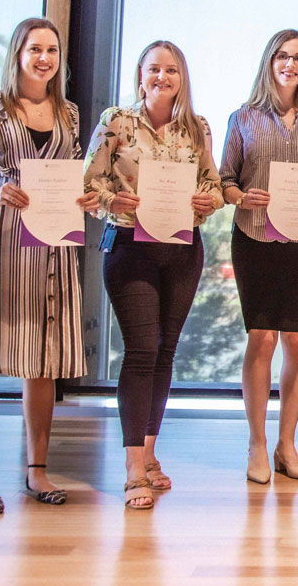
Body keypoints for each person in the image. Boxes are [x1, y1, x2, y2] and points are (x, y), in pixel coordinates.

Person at [0, 18, 97, 514]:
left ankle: (36, 469)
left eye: (52, 50)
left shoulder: (70, 113)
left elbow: (71, 172)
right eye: (35, 49)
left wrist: (84, 197)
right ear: (18, 54)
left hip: (50, 241)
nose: (44, 58)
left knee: (43, 355)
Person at [83, 41, 223, 509]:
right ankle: (132, 468)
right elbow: (89, 184)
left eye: (171, 70)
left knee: (165, 351)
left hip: (183, 248)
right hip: (129, 247)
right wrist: (111, 200)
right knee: (141, 351)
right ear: (140, 76)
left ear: (182, 77)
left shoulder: (198, 127)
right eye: (154, 69)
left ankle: (150, 452)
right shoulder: (116, 122)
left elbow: (213, 184)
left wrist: (210, 200)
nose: (162, 77)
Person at [220, 30, 298, 484]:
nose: (291, 64)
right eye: (283, 56)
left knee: (297, 340)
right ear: (269, 62)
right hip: (255, 239)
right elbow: (224, 181)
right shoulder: (243, 117)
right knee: (263, 339)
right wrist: (241, 197)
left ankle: (286, 446)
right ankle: (256, 443)